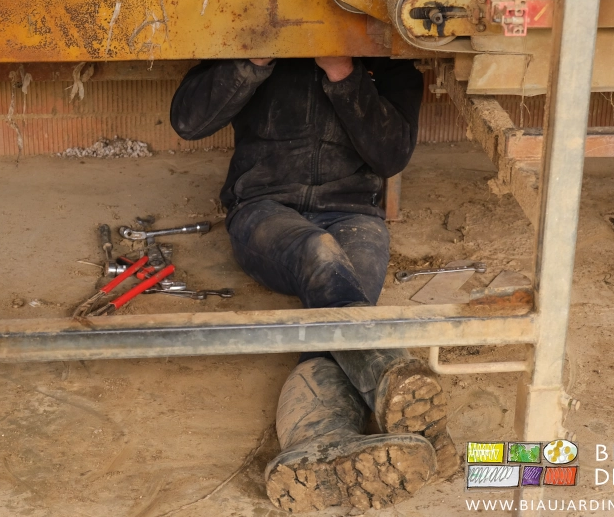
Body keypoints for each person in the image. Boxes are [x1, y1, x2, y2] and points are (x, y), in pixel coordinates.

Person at [170, 56, 457, 513]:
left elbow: (391, 156)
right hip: (263, 211)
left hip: (355, 214)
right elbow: (187, 121)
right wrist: (253, 61)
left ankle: (320, 439)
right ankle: (391, 378)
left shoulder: (387, 59)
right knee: (319, 254)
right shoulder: (256, 39)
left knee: (346, 294)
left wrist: (344, 74)